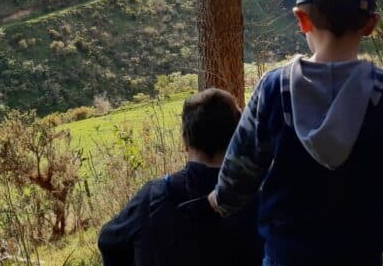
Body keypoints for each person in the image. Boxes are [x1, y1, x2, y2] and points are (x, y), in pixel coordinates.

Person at [208, 0, 383, 266]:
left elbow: (236, 180)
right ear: (371, 24)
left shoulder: (273, 90)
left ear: (301, 19)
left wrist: (218, 201)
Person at [98, 88, 263, 266]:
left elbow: (108, 242)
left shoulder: (153, 197)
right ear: (237, 137)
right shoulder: (261, 194)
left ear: (185, 141)